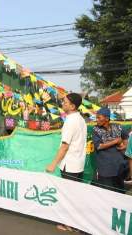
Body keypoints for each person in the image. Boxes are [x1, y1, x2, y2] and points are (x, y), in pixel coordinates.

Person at [45, 93, 87, 232]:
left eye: (65, 102)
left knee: (68, 195)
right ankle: (74, 222)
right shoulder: (80, 119)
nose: (62, 103)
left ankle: (69, 224)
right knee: (74, 195)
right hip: (78, 163)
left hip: (70, 164)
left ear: (72, 106)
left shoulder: (71, 121)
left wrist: (53, 164)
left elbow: (65, 146)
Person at [92, 107, 129, 193]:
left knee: (120, 192)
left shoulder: (118, 127)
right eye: (96, 117)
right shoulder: (96, 130)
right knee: (108, 193)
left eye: (99, 117)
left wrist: (125, 146)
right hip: (105, 169)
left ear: (107, 118)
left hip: (119, 167)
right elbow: (98, 146)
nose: (96, 120)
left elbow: (126, 137)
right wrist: (115, 141)